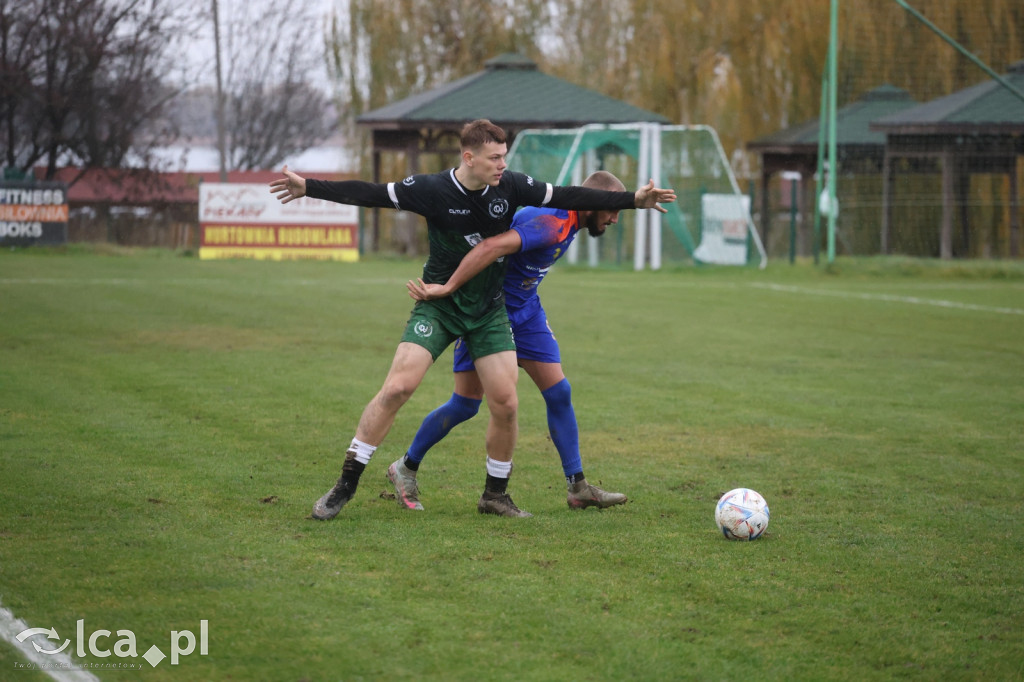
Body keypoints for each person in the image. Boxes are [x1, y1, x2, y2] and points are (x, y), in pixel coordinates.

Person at [269, 119, 675, 519]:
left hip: (498, 310)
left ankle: (519, 493)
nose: (503, 165)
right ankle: (367, 478)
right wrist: (310, 187)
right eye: (495, 158)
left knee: (519, 399)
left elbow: (570, 193)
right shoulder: (440, 192)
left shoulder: (513, 186)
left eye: (504, 157)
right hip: (447, 302)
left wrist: (633, 201)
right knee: (423, 393)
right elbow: (372, 193)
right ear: (469, 157)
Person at [392, 170, 630, 512]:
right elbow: (489, 247)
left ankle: (577, 487)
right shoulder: (548, 221)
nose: (615, 218)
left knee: (559, 392)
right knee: (465, 404)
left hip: (527, 312)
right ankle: (405, 467)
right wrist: (451, 289)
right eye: (612, 209)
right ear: (593, 203)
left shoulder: (571, 222)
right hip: (490, 313)